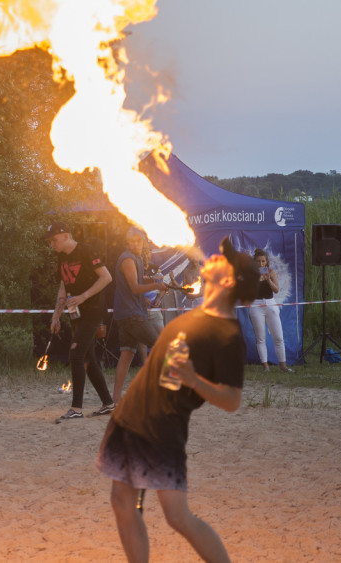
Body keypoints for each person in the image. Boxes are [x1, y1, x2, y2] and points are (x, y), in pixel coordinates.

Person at [95, 238, 257, 563]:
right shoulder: (199, 314)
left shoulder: (226, 335)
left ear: (227, 281)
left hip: (161, 427)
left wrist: (195, 379)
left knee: (177, 516)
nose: (211, 260)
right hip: (131, 416)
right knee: (122, 501)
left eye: (221, 262)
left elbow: (232, 399)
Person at [45, 222, 115, 423]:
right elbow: (63, 287)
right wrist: (56, 315)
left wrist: (84, 296)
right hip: (76, 313)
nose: (52, 244)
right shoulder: (61, 257)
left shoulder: (86, 250)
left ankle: (76, 409)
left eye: (54, 240)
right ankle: (108, 404)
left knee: (76, 354)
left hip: (92, 310)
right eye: (50, 241)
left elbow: (106, 277)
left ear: (66, 236)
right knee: (88, 359)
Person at [111, 227, 167, 402]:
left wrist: (153, 283)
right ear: (128, 243)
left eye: (139, 241)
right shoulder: (128, 259)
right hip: (132, 314)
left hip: (128, 312)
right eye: (133, 241)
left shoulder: (137, 259)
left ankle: (116, 398)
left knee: (127, 354)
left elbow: (137, 283)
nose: (136, 244)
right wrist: (156, 286)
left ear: (143, 242)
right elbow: (135, 288)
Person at [249, 248, 292, 372]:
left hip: (270, 304)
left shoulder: (271, 272)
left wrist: (267, 279)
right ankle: (265, 366)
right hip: (256, 305)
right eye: (258, 261)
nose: (261, 264)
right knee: (261, 337)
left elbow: (276, 290)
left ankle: (283, 366)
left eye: (263, 261)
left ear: (267, 261)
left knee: (278, 337)